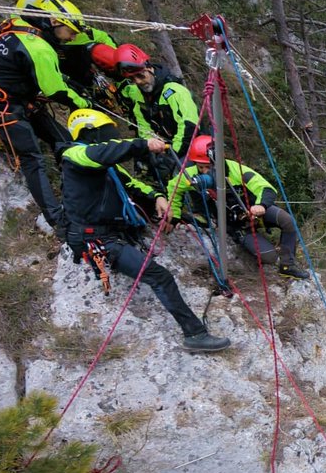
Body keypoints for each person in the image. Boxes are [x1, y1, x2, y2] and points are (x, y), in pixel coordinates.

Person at [60, 108, 231, 353]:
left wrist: (158, 197)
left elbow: (132, 183)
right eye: (106, 134)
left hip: (109, 233)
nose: (110, 140)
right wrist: (144, 144)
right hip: (94, 239)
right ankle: (195, 334)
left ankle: (195, 332)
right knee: (159, 276)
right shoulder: (74, 154)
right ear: (89, 133)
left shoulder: (105, 167)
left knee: (155, 272)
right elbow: (103, 152)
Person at [0, 0, 93, 236]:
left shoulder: (17, 23)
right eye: (71, 31)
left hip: (13, 96)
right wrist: (82, 102)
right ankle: (58, 220)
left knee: (62, 138)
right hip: (1, 105)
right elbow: (56, 90)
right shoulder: (40, 48)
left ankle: (76, 186)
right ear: (55, 22)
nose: (73, 37)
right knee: (32, 159)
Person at [168, 135, 307, 280]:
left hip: (254, 211)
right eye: (200, 166)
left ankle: (287, 266)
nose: (204, 171)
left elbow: (266, 188)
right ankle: (267, 248)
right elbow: (174, 188)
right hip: (237, 225)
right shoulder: (190, 175)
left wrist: (261, 205)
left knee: (287, 220)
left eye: (208, 167)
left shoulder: (236, 170)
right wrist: (175, 214)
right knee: (270, 257)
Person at [113, 44, 200, 175]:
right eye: (132, 79)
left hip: (192, 146)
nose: (138, 82)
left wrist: (172, 156)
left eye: (141, 76)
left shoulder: (173, 91)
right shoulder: (139, 95)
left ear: (149, 68)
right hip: (166, 145)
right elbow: (144, 128)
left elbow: (189, 126)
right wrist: (151, 148)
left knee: (179, 174)